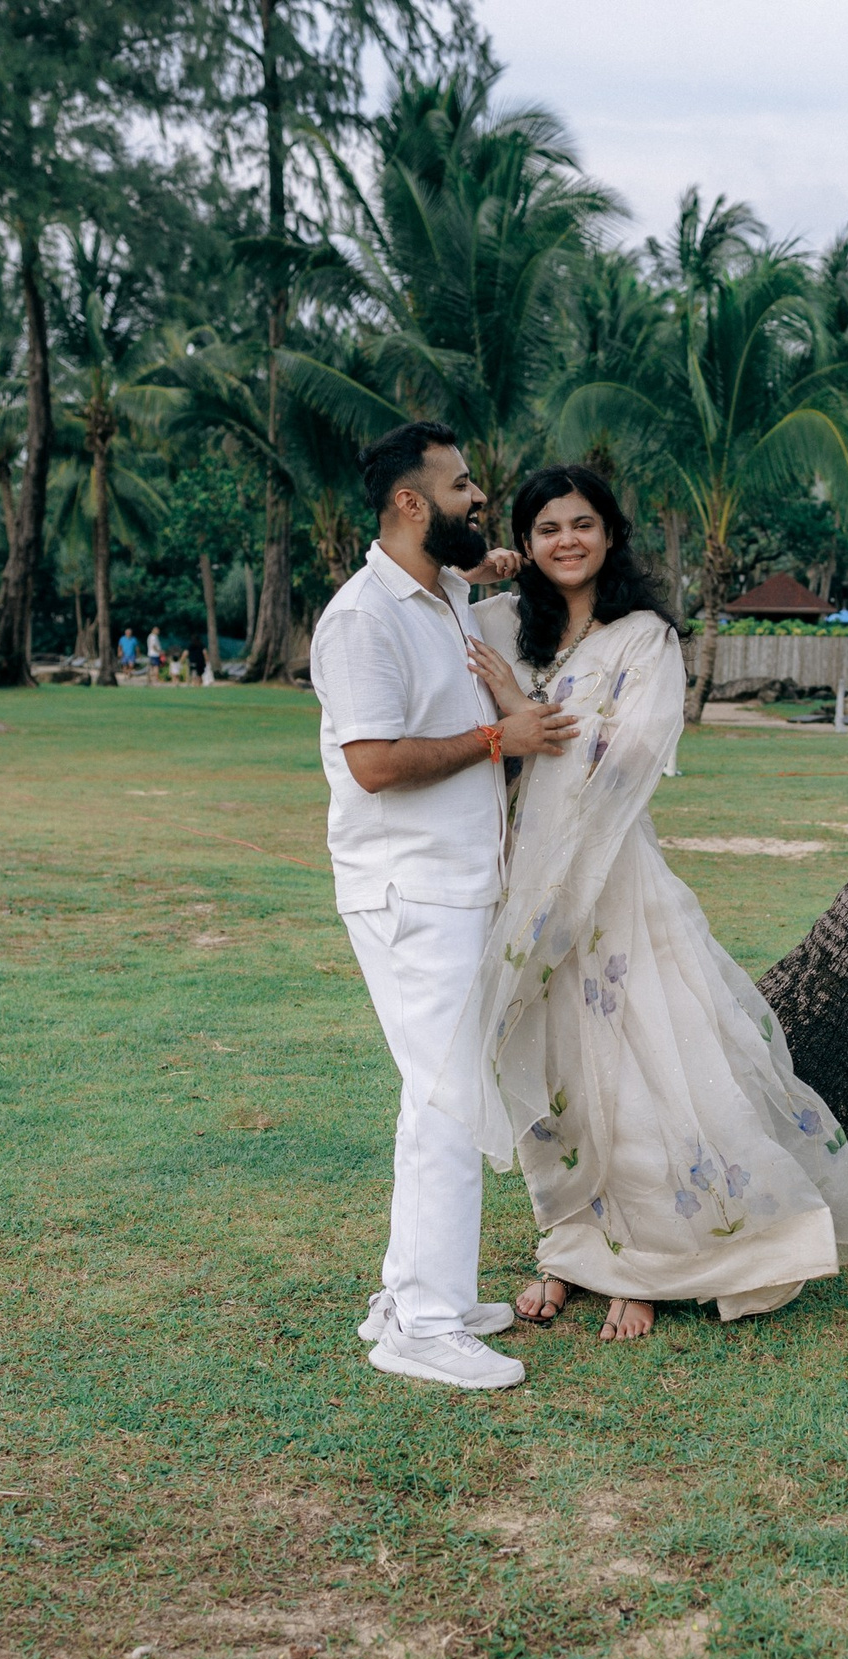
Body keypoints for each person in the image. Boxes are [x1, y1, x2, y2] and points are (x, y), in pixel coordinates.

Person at [440, 465, 848, 1343]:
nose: (566, 540)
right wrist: (470, 571)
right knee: (553, 1067)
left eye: (582, 523)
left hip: (613, 879)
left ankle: (647, 1266)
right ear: (525, 542)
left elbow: (629, 759)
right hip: (524, 882)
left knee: (637, 1072)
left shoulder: (645, 638)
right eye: (547, 527)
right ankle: (572, 1250)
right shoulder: (503, 623)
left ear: (610, 533)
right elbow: (426, 599)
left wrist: (522, 709)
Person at [313, 421, 570, 1391]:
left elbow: (480, 570)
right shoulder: (361, 620)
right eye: (461, 486)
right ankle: (422, 1326)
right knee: (448, 1097)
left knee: (438, 1091)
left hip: (459, 880)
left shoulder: (444, 593)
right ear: (409, 502)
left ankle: (417, 1295)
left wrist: (492, 562)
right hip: (409, 889)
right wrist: (499, 740)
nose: (479, 497)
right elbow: (374, 764)